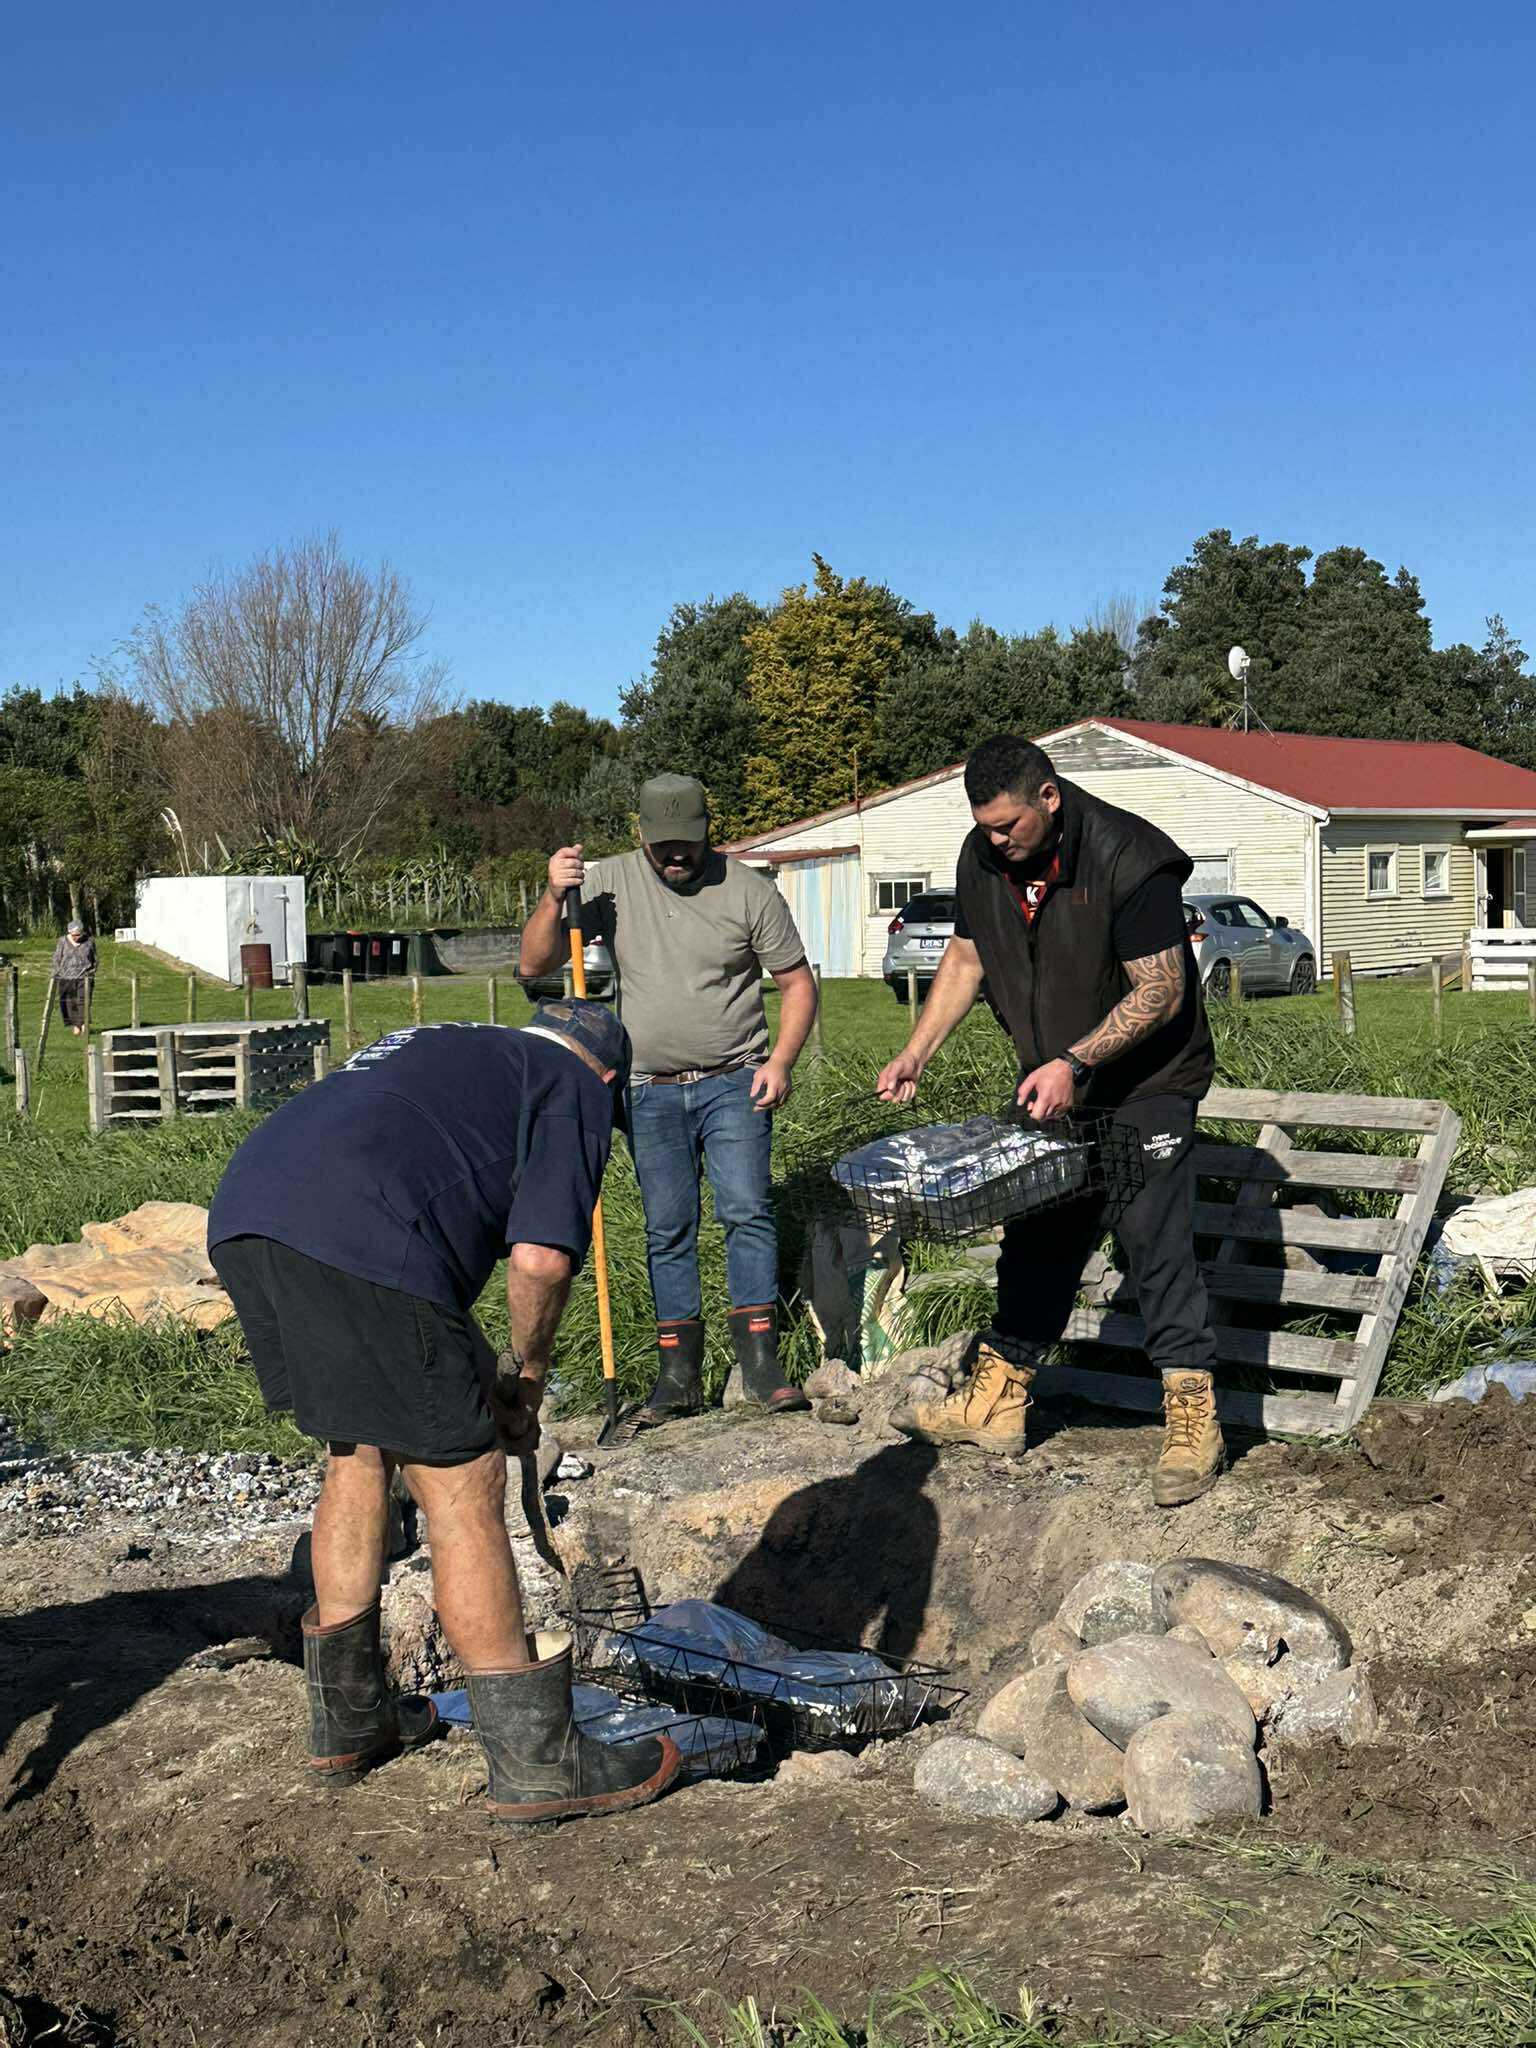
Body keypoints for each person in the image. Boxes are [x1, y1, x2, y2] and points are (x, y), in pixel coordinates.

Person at [206, 999, 682, 1825]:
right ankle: (538, 1761)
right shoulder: (573, 1082)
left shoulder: (454, 1045)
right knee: (463, 1479)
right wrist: (525, 1381)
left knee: (358, 1450)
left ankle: (350, 1720)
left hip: (252, 1213)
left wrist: (477, 1363)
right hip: (364, 1235)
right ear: (609, 1080)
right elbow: (540, 1259)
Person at [875, 734, 1224, 1508]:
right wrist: (916, 1052)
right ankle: (998, 1403)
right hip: (1053, 1079)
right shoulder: (981, 859)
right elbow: (967, 957)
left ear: (1048, 798)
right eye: (984, 826)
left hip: (1147, 1083)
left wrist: (1075, 1061)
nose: (995, 840)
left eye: (1008, 826)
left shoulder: (1131, 859)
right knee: (1035, 1233)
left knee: (1152, 1238)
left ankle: (1193, 1418)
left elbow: (1160, 992)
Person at [518, 773, 819, 1425]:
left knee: (747, 1212)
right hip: (649, 1090)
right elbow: (534, 965)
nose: (676, 856)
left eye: (688, 843)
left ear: (709, 830)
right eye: (663, 846)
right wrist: (553, 894)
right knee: (668, 1228)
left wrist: (782, 1062)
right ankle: (678, 1374)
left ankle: (761, 1365)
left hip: (738, 1079)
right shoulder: (611, 882)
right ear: (642, 837)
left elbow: (797, 983)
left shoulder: (748, 891)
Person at [51, 919, 97, 1035]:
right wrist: (58, 972)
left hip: (84, 977)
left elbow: (95, 959)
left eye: (78, 934)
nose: (76, 937)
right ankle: (76, 1025)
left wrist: (92, 972)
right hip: (66, 977)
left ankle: (83, 1024)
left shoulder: (89, 941)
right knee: (70, 1003)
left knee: (84, 1001)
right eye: (74, 935)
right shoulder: (62, 941)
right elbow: (56, 958)